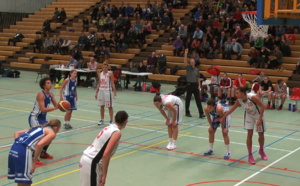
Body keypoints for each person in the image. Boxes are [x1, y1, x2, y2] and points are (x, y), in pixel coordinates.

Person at [220, 87, 268, 164]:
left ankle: (261, 150)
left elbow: (262, 106)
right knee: (249, 134)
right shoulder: (239, 100)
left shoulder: (252, 97)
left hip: (258, 115)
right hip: (249, 115)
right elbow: (232, 109)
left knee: (261, 134)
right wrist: (223, 116)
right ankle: (250, 155)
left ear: (243, 93)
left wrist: (259, 119)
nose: (236, 95)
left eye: (237, 93)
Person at [79, 111, 128, 186]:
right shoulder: (117, 133)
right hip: (92, 162)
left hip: (87, 159)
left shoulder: (109, 127)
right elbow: (106, 154)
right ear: (126, 121)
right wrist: (104, 175)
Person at [8, 119, 61, 186]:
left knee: (21, 180)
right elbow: (39, 145)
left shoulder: (38, 128)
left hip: (13, 149)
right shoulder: (52, 133)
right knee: (26, 181)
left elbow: (17, 133)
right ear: (56, 127)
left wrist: (18, 144)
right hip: (24, 151)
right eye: (59, 129)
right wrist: (34, 161)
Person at [28, 77, 58, 163]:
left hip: (43, 118)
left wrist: (63, 105)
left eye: (50, 82)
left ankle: (43, 152)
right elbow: (43, 109)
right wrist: (55, 107)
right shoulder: (41, 94)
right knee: (39, 136)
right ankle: (34, 155)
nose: (50, 84)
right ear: (44, 86)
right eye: (48, 83)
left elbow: (57, 105)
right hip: (35, 117)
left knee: (52, 133)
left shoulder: (51, 94)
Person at [184, 49, 205, 118]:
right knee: (188, 99)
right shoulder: (188, 68)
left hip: (195, 85)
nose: (192, 63)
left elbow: (198, 78)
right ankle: (187, 112)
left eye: (193, 62)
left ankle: (201, 113)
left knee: (198, 100)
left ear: (194, 62)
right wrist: (186, 53)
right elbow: (184, 61)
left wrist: (199, 85)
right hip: (189, 85)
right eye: (190, 62)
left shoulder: (197, 69)